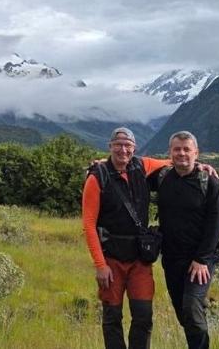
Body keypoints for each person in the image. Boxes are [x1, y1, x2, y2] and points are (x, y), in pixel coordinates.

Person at [82, 127, 172, 349]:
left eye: (128, 145)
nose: (123, 149)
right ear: (110, 146)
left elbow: (174, 163)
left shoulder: (142, 165)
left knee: (143, 316)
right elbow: (89, 225)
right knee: (112, 318)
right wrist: (100, 265)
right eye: (118, 144)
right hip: (111, 259)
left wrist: (201, 166)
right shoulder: (97, 178)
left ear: (134, 148)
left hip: (140, 260)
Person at [147, 131, 219, 349]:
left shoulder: (208, 182)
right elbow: (129, 169)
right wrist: (104, 162)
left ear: (196, 153)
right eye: (177, 149)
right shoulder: (162, 178)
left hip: (202, 259)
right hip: (172, 258)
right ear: (170, 153)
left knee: (191, 306)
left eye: (186, 149)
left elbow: (215, 223)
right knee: (184, 313)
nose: (182, 153)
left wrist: (201, 259)